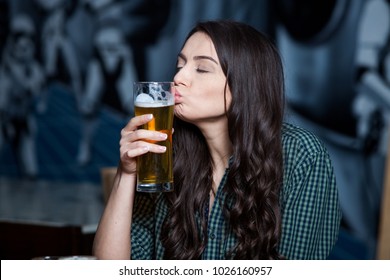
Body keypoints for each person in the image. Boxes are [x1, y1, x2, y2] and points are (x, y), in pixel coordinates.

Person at [92, 20, 341, 260]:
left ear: (244, 84)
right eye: (180, 65)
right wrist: (126, 173)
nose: (178, 78)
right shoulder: (166, 152)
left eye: (201, 69)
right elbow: (112, 267)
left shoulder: (301, 156)